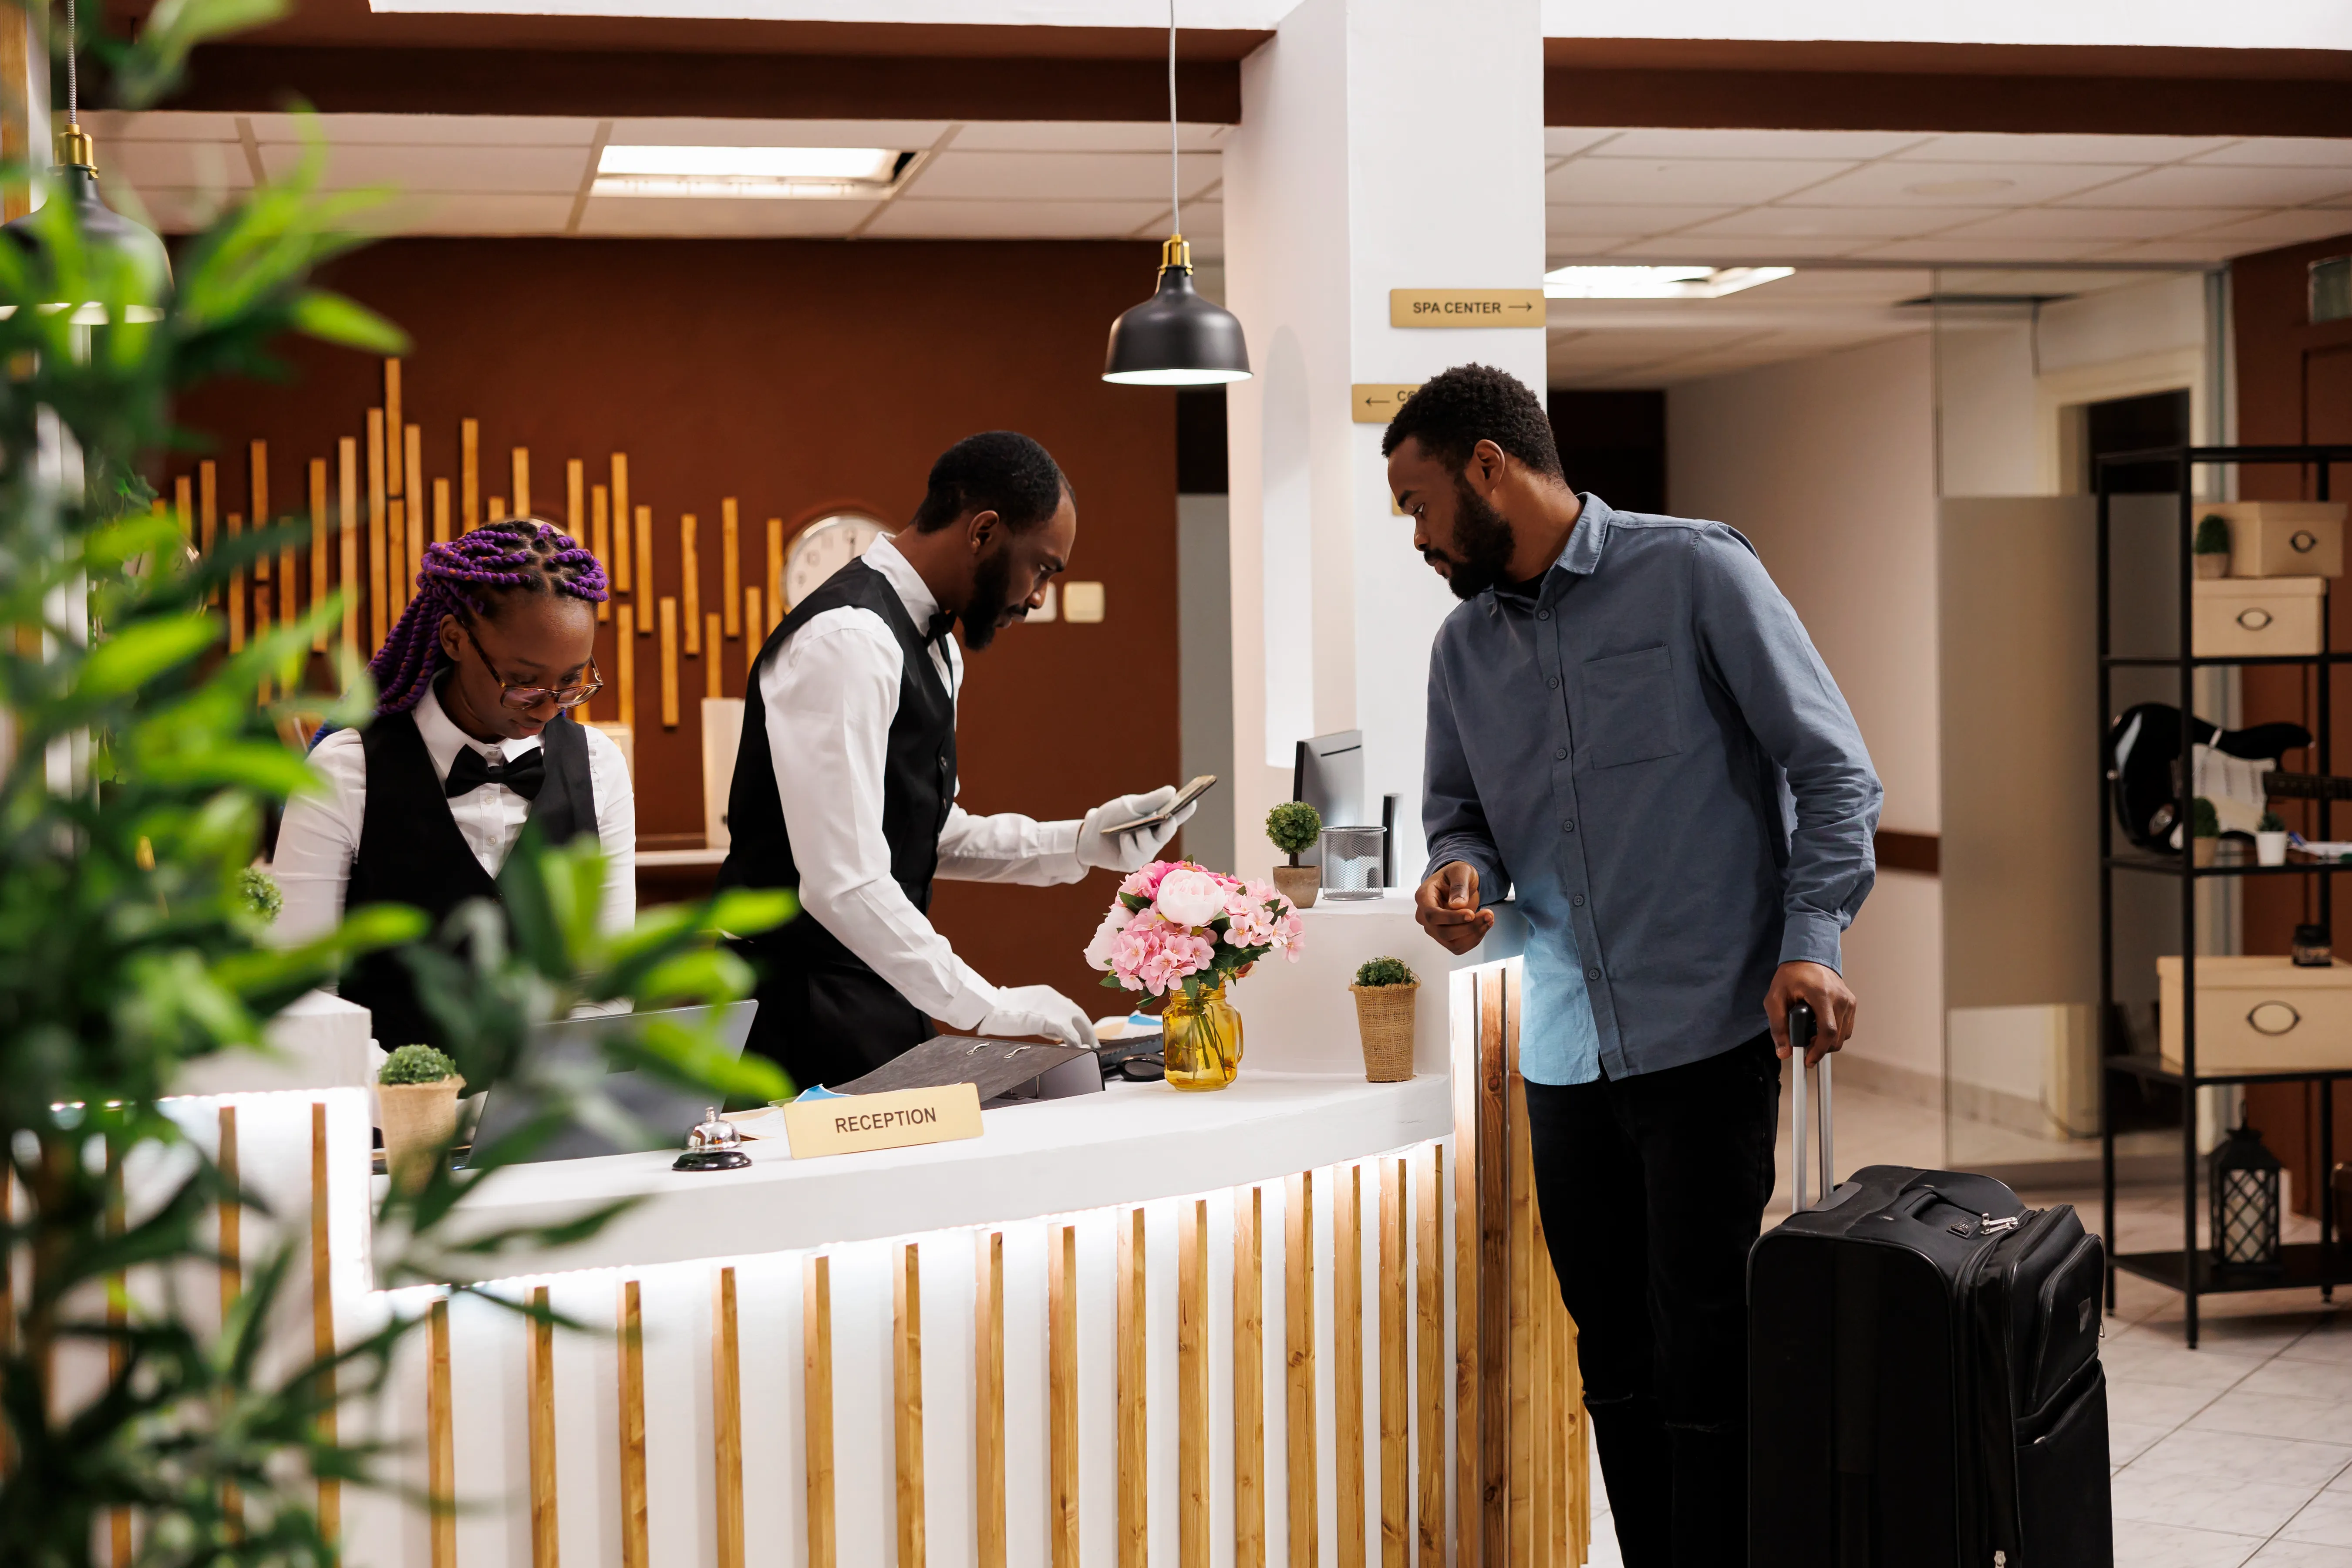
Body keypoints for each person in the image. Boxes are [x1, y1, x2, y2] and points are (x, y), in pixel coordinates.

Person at [1387, 365, 1880, 1567]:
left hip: (1705, 1033)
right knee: (1611, 1357)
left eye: (1418, 503)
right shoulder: (1461, 650)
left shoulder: (1693, 571)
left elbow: (1832, 772)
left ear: (1487, 468)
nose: (1416, 537)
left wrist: (1808, 942)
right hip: (1563, 1051)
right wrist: (1456, 874)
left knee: (1705, 1349)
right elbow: (1459, 816)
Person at [721, 431, 1194, 1091]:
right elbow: (842, 883)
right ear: (983, 532)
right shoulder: (847, 639)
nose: (1038, 596)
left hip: (877, 989)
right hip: (794, 1009)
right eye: (1042, 569)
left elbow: (925, 833)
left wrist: (1081, 843)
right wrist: (988, 1006)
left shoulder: (938, 648)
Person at [273, 518, 633, 1052]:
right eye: (523, 681)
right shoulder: (345, 771)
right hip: (379, 1098)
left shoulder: (599, 766)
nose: (548, 707)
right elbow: (304, 991)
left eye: (570, 681)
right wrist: (409, 1087)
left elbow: (601, 980)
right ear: (455, 639)